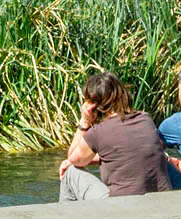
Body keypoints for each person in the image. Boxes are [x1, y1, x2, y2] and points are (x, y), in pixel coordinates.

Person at [58, 72, 167, 200]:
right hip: (158, 203)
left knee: (70, 172)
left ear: (93, 105)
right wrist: (100, 159)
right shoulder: (145, 118)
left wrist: (85, 122)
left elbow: (73, 158)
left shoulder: (98, 132)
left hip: (120, 208)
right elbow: (128, 152)